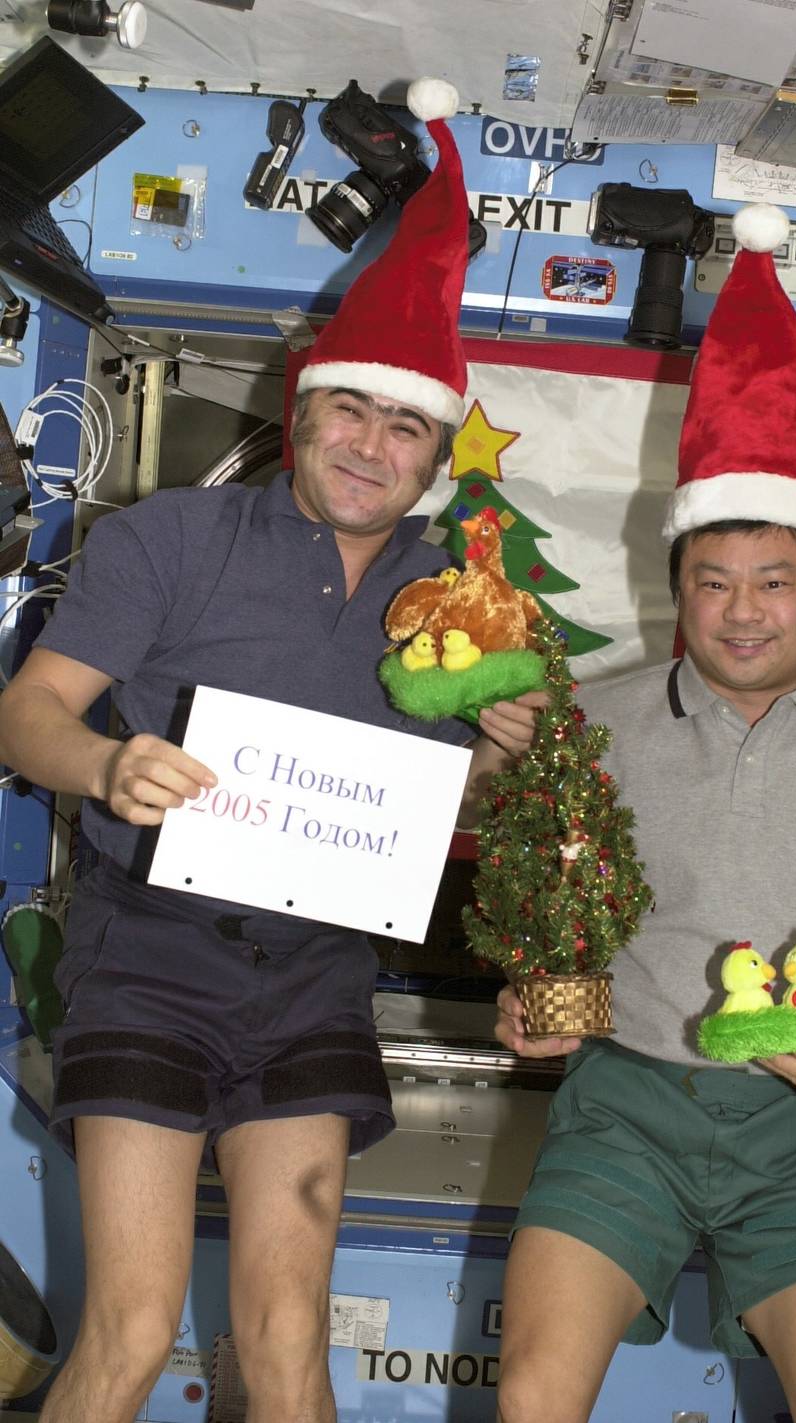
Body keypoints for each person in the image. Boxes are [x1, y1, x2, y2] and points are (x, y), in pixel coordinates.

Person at [0, 80, 542, 1423]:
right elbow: (27, 716)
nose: (372, 443)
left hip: (316, 973)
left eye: (404, 425)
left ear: (433, 457)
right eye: (351, 410)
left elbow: (456, 801)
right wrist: (105, 766)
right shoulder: (167, 540)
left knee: (290, 1336)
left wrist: (506, 752)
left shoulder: (463, 603)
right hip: (149, 951)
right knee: (125, 1331)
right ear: (303, 411)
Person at [493, 205, 796, 1423]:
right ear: (678, 590)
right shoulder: (590, 725)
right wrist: (530, 990)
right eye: (714, 582)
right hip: (625, 1115)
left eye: (775, 581)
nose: (744, 611)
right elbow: (541, 904)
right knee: (534, 1399)